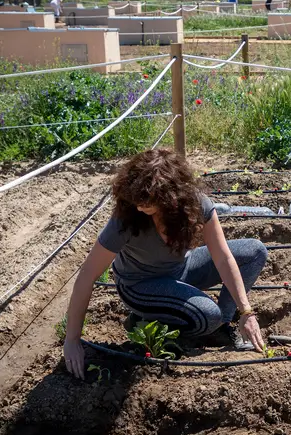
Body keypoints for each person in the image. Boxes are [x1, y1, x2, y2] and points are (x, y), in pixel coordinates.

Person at [62, 149, 268, 379]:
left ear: (171, 197)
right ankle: (144, 318)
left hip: (181, 269)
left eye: (147, 203)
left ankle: (223, 327)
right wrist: (72, 339)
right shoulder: (126, 219)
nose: (139, 207)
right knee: (208, 315)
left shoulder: (197, 205)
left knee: (254, 252)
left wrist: (246, 312)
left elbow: (223, 257)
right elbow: (87, 275)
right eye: (136, 200)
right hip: (140, 285)